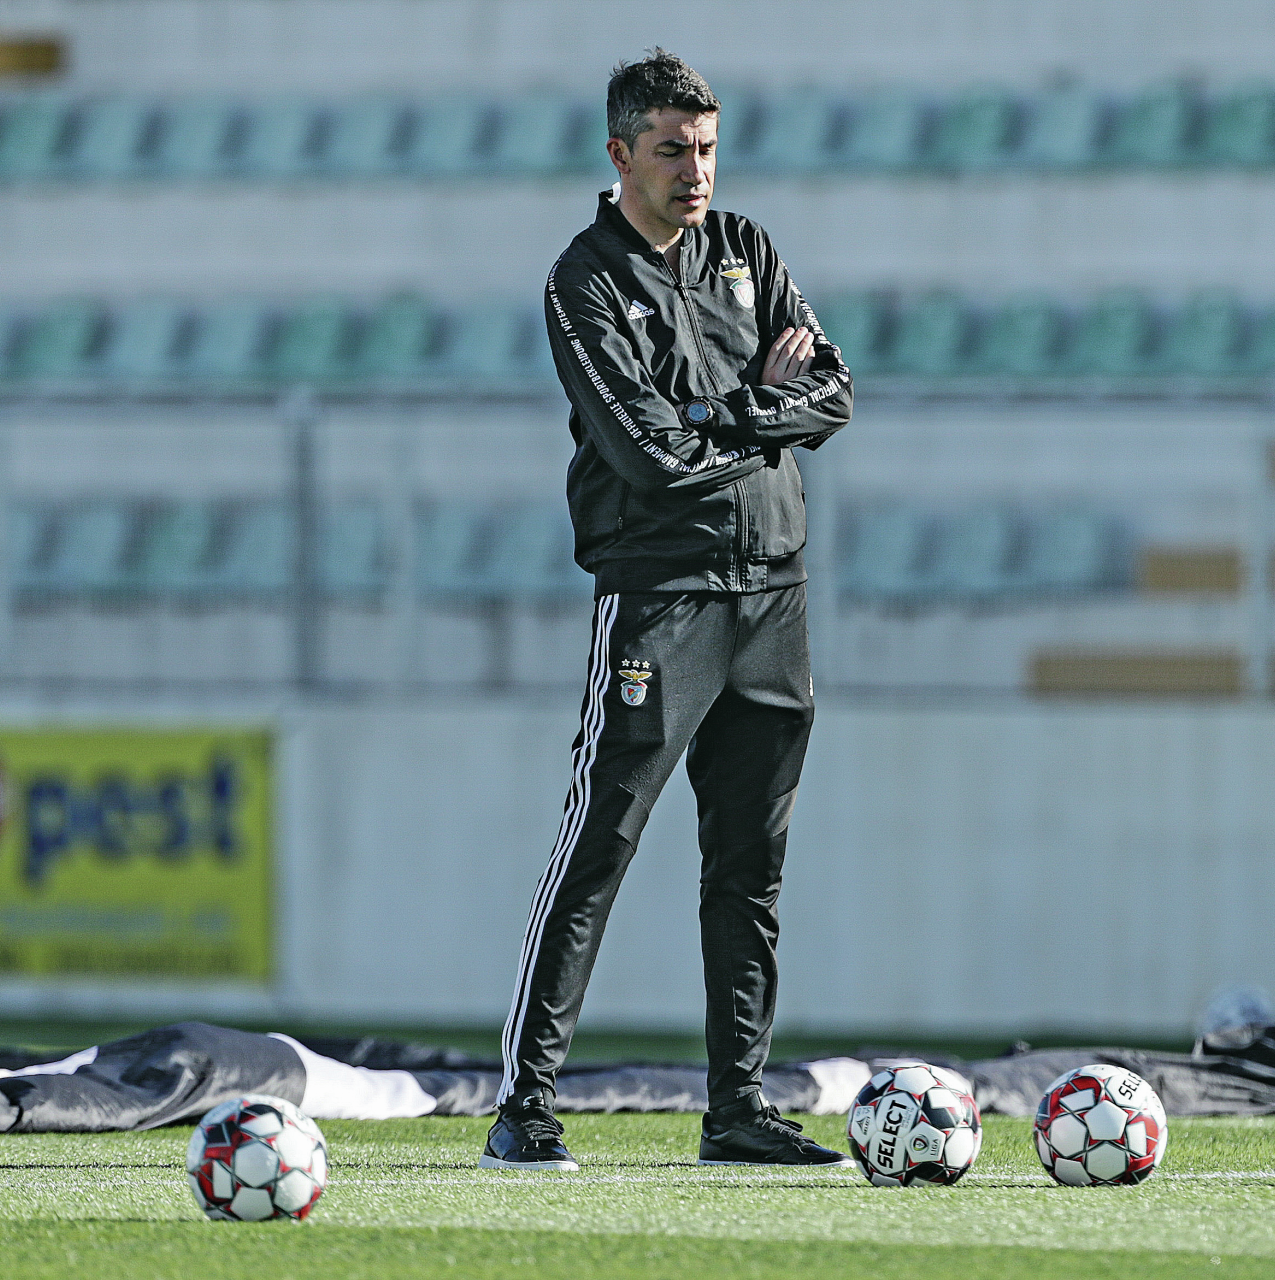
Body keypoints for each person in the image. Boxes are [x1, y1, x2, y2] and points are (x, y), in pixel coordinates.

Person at [480, 49, 854, 1173]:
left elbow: (832, 391)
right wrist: (758, 410)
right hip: (661, 601)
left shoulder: (746, 248)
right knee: (599, 845)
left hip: (773, 595)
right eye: (671, 150)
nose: (696, 171)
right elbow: (648, 457)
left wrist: (721, 412)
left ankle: (736, 1107)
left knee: (750, 866)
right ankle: (525, 1106)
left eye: (706, 148)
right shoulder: (582, 280)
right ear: (619, 155)